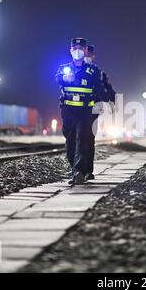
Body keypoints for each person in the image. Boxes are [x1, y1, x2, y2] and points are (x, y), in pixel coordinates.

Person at [55, 38, 109, 185]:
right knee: (70, 141)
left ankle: (79, 171)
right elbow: (58, 79)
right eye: (74, 48)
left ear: (85, 51)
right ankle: (76, 169)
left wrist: (107, 100)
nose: (77, 51)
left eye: (80, 48)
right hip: (68, 110)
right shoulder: (64, 68)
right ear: (70, 50)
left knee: (82, 139)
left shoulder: (92, 70)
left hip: (86, 110)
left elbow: (99, 87)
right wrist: (66, 78)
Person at [84, 44, 116, 181]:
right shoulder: (74, 71)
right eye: (85, 55)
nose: (86, 58)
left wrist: (112, 103)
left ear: (93, 56)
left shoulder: (99, 74)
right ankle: (78, 170)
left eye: (88, 55)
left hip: (92, 111)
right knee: (77, 139)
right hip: (75, 110)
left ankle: (87, 171)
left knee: (88, 140)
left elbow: (109, 90)